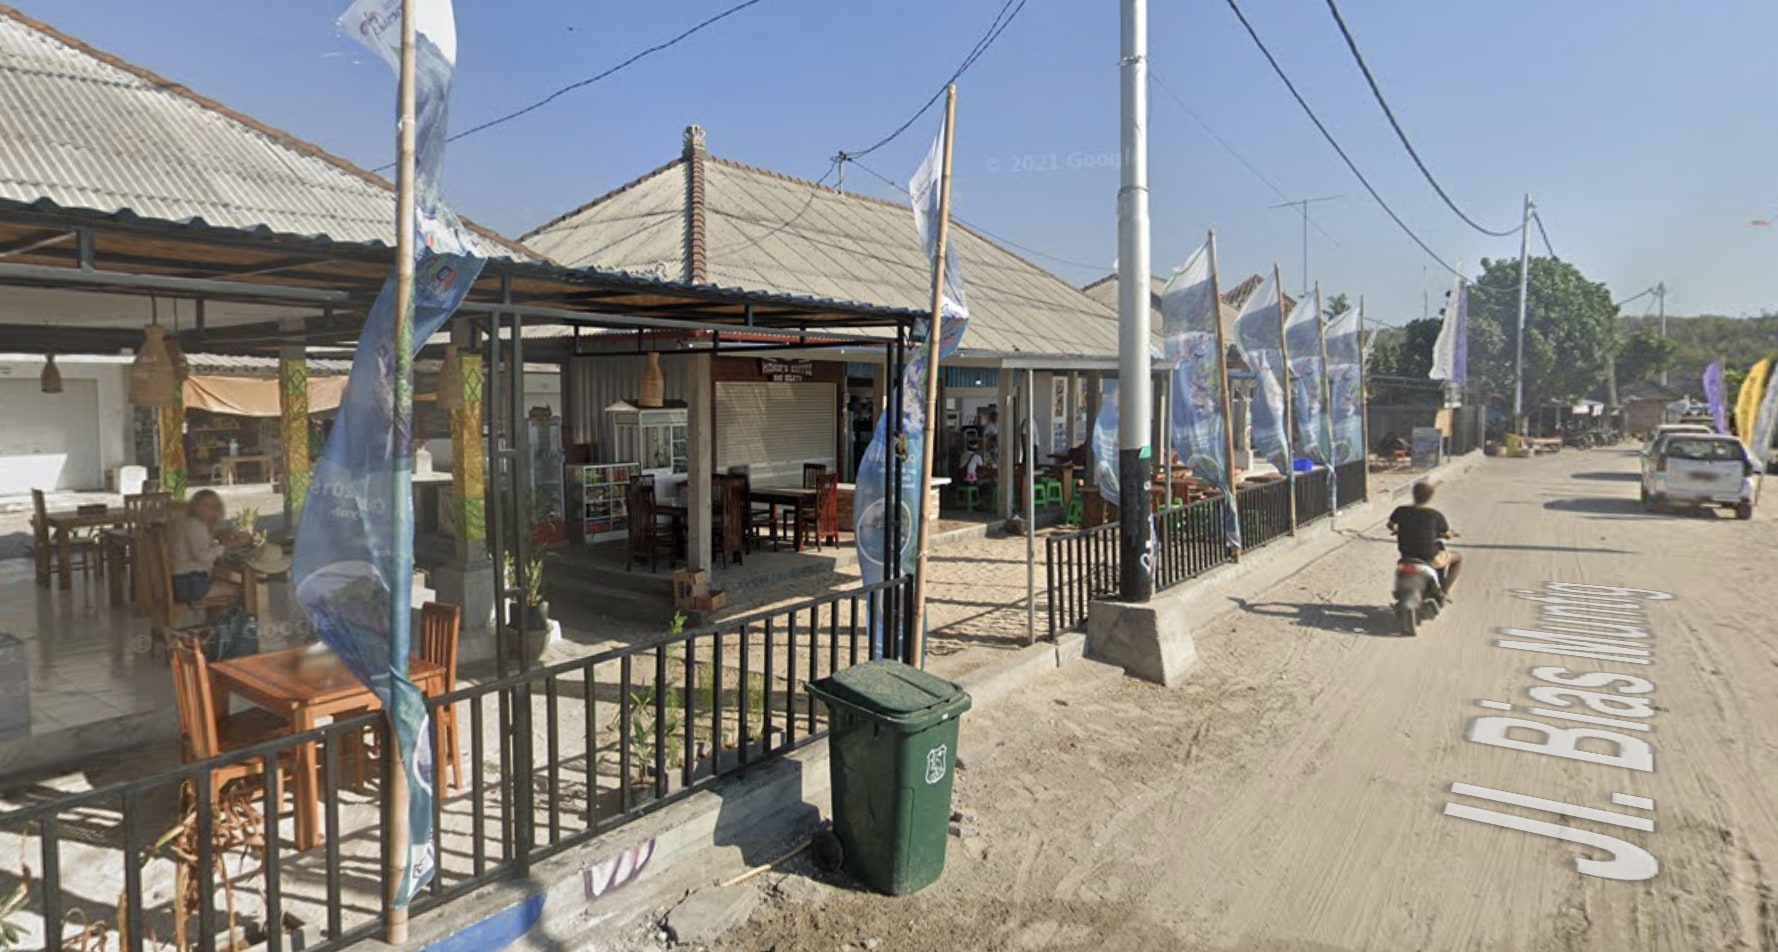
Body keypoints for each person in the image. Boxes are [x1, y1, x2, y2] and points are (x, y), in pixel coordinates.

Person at [170, 489, 251, 602]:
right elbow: (203, 556)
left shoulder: (197, 525)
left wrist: (223, 540)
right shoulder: (194, 526)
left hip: (188, 581)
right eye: (206, 505)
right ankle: (238, 619)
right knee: (244, 591)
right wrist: (230, 545)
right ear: (195, 507)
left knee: (224, 576)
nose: (210, 509)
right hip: (191, 584)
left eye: (214, 506)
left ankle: (219, 618)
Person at [1386, 481, 1462, 600]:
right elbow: (1446, 533)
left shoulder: (1401, 511)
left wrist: (1397, 529)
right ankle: (1444, 591)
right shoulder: (1435, 515)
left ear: (1413, 494)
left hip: (1406, 555)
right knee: (1458, 558)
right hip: (1429, 558)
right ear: (1430, 497)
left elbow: (1390, 525)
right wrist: (1451, 534)